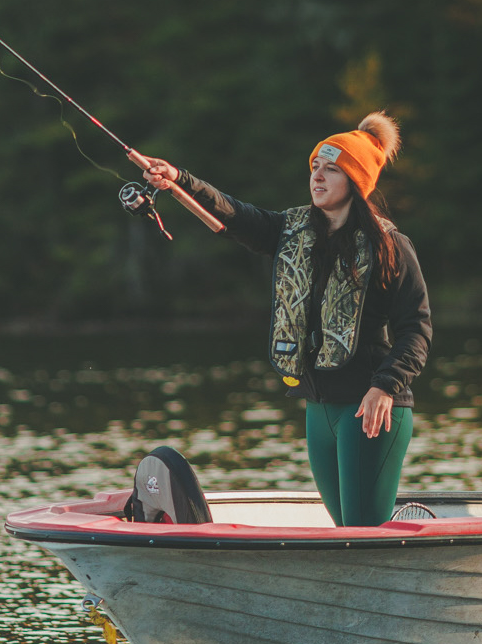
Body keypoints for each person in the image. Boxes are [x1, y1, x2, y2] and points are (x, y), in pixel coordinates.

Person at [138, 112, 431, 528]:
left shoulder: (390, 246)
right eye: (315, 167)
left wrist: (385, 386)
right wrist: (179, 179)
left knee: (362, 533)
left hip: (371, 411)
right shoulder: (288, 230)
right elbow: (233, 214)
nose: (318, 177)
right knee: (344, 530)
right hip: (319, 410)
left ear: (357, 181)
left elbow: (416, 328)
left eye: (332, 169)